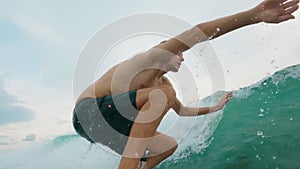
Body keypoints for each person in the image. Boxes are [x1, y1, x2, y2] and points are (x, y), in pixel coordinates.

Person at [72, 0, 299, 168]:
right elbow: (196, 33)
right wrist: (253, 15)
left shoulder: (166, 86)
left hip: (107, 128)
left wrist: (215, 107)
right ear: (166, 50)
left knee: (167, 146)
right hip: (89, 112)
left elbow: (182, 111)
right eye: (178, 53)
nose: (182, 57)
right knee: (160, 96)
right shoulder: (148, 60)